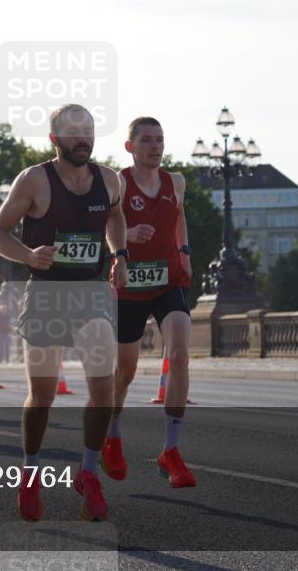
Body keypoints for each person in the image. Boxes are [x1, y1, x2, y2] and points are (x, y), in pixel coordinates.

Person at [0, 103, 128, 522]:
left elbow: (115, 215)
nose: (83, 138)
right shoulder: (34, 180)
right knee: (44, 396)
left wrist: (118, 253)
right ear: (55, 140)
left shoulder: (109, 180)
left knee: (103, 388)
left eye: (88, 130)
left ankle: (87, 472)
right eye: (73, 132)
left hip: (90, 293)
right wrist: (29, 255)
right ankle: (29, 473)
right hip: (47, 294)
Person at [102, 116, 196, 488]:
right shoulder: (118, 183)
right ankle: (112, 436)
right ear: (130, 147)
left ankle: (170, 450)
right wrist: (126, 243)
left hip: (168, 280)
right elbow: (106, 225)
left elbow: (180, 216)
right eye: (146, 140)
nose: (155, 146)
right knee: (124, 371)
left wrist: (184, 249)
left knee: (179, 354)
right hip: (129, 285)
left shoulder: (177, 182)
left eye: (159, 139)